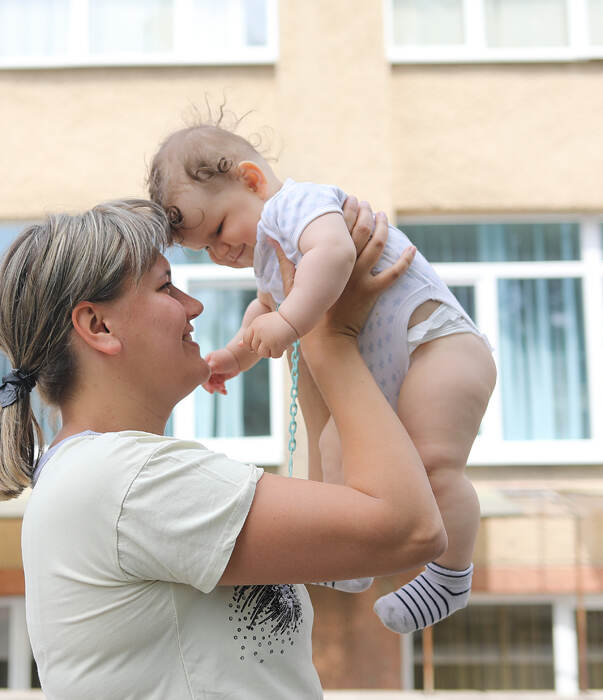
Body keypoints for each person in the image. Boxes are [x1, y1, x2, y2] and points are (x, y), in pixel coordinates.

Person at [0, 197, 445, 698]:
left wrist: (310, 329)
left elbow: (349, 519)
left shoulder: (101, 475)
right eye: (165, 287)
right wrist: (334, 337)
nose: (193, 306)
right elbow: (409, 528)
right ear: (98, 326)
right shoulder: (127, 481)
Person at [147, 123, 497, 633]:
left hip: (438, 345)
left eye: (220, 230)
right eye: (206, 249)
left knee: (433, 464)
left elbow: (332, 257)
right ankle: (351, 555)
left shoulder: (298, 208)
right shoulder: (268, 253)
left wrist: (288, 323)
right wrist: (233, 355)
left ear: (251, 180)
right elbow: (266, 310)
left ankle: (451, 575)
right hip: (393, 369)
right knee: (339, 448)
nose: (221, 253)